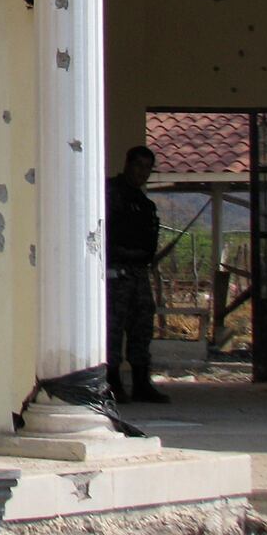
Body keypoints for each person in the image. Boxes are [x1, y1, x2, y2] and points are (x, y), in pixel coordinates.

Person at [106, 145, 170, 404]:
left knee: (142, 325)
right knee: (113, 327)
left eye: (147, 168)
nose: (142, 172)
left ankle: (142, 382)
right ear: (127, 164)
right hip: (115, 270)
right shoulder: (109, 194)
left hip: (139, 271)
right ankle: (112, 382)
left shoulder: (144, 204)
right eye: (138, 166)